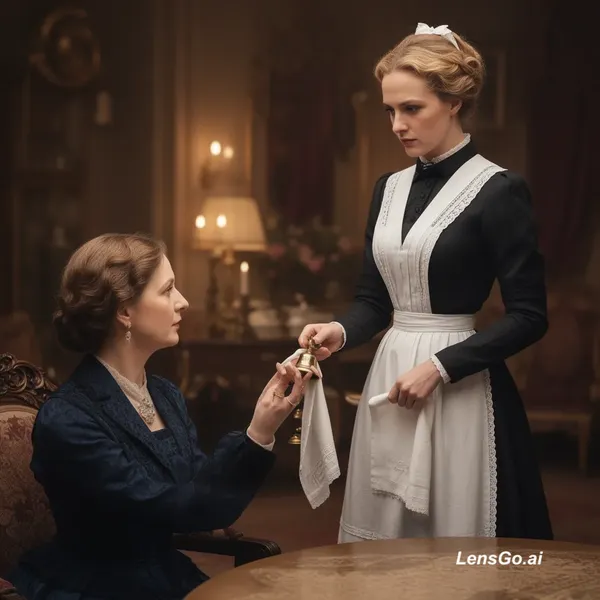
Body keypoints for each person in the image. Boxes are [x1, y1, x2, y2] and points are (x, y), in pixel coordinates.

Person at [299, 23, 553, 542]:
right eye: (390, 110)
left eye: (412, 108)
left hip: (461, 383)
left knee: (453, 531)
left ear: (454, 101)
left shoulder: (498, 190)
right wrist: (339, 332)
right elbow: (373, 300)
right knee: (384, 530)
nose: (397, 125)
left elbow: (530, 316)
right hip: (390, 373)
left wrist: (440, 367)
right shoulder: (387, 189)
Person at [10, 233, 313, 600]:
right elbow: (173, 507)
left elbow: (197, 484)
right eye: (168, 289)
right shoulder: (68, 419)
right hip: (97, 588)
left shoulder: (165, 395)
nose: (183, 301)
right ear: (124, 311)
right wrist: (258, 430)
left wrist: (260, 428)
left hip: (161, 576)